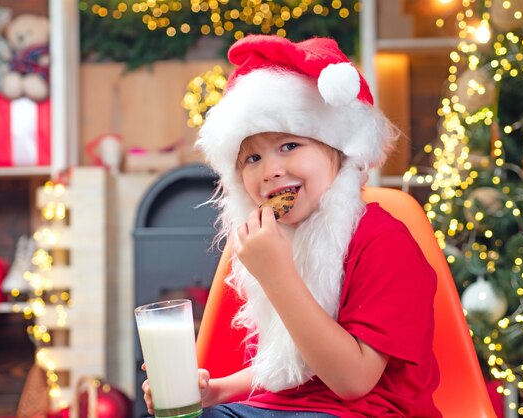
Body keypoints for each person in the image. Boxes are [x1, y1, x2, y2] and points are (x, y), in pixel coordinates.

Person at [142, 35, 442, 417]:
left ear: (336, 150)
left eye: (289, 146)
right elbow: (294, 365)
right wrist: (215, 392)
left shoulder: (384, 242)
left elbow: (352, 381)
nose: (270, 171)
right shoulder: (281, 238)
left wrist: (278, 275)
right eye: (252, 156)